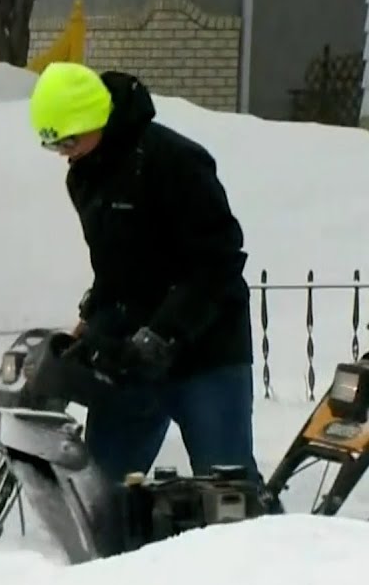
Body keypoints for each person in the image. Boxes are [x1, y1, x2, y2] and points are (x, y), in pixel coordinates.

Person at [27, 61, 262, 485]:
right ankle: (114, 548)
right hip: (130, 358)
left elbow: (218, 262)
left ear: (96, 118)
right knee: (101, 488)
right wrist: (92, 317)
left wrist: (164, 333)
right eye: (52, 143)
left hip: (207, 351)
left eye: (67, 138)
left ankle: (282, 548)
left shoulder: (175, 161)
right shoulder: (84, 176)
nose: (63, 151)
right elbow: (116, 266)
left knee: (229, 487)